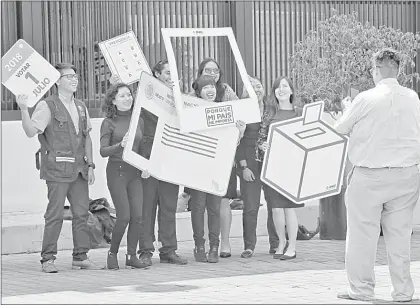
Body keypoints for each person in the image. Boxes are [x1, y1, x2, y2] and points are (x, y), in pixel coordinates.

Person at [334, 48, 420, 302]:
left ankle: (361, 290)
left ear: (375, 70)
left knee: (362, 235)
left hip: (370, 175)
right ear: (398, 71)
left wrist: (346, 108)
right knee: (400, 237)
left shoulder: (365, 98)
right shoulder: (413, 97)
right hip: (406, 174)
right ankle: (403, 291)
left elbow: (341, 127)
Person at [15, 63, 100, 273]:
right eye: (68, 77)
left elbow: (86, 137)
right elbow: (30, 131)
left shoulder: (81, 106)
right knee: (55, 215)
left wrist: (91, 164)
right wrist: (24, 109)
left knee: (81, 213)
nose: (74, 80)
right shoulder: (47, 105)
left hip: (79, 170)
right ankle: (48, 259)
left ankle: (80, 257)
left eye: (75, 76)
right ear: (57, 82)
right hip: (57, 170)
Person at [187, 57, 241, 258]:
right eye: (205, 87)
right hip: (199, 166)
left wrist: (239, 131)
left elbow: (231, 141)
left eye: (212, 86)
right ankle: (199, 246)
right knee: (198, 206)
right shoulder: (190, 111)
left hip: (218, 166)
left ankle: (214, 247)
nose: (210, 89)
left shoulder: (224, 110)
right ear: (198, 91)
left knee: (214, 207)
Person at [137, 60, 188, 266]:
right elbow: (137, 131)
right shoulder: (147, 95)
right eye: (167, 73)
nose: (170, 77)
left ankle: (168, 250)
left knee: (168, 206)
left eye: (173, 74)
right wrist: (141, 162)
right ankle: (146, 251)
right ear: (157, 74)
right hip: (149, 157)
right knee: (147, 207)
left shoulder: (179, 100)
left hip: (170, 157)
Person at [100, 83, 149, 270]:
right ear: (113, 100)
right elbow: (103, 151)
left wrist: (145, 166)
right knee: (124, 216)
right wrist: (121, 145)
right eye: (122, 96)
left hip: (134, 172)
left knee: (137, 216)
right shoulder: (108, 122)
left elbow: (142, 148)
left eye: (129, 95)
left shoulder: (139, 120)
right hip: (116, 171)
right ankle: (112, 253)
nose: (127, 98)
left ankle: (131, 255)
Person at [256, 76, 305, 261]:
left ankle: (292, 246)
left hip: (292, 167)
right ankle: (281, 243)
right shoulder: (269, 113)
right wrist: (262, 146)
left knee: (289, 208)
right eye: (278, 87)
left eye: (285, 86)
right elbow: (260, 138)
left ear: (291, 91)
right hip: (272, 167)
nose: (281, 89)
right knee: (276, 208)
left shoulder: (299, 113)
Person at [237, 75, 277, 258]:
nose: (257, 89)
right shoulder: (242, 111)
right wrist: (243, 167)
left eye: (259, 86)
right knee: (251, 206)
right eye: (252, 87)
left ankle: (276, 243)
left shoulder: (271, 109)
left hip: (270, 162)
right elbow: (238, 142)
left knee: (274, 205)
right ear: (246, 92)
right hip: (250, 163)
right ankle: (249, 246)